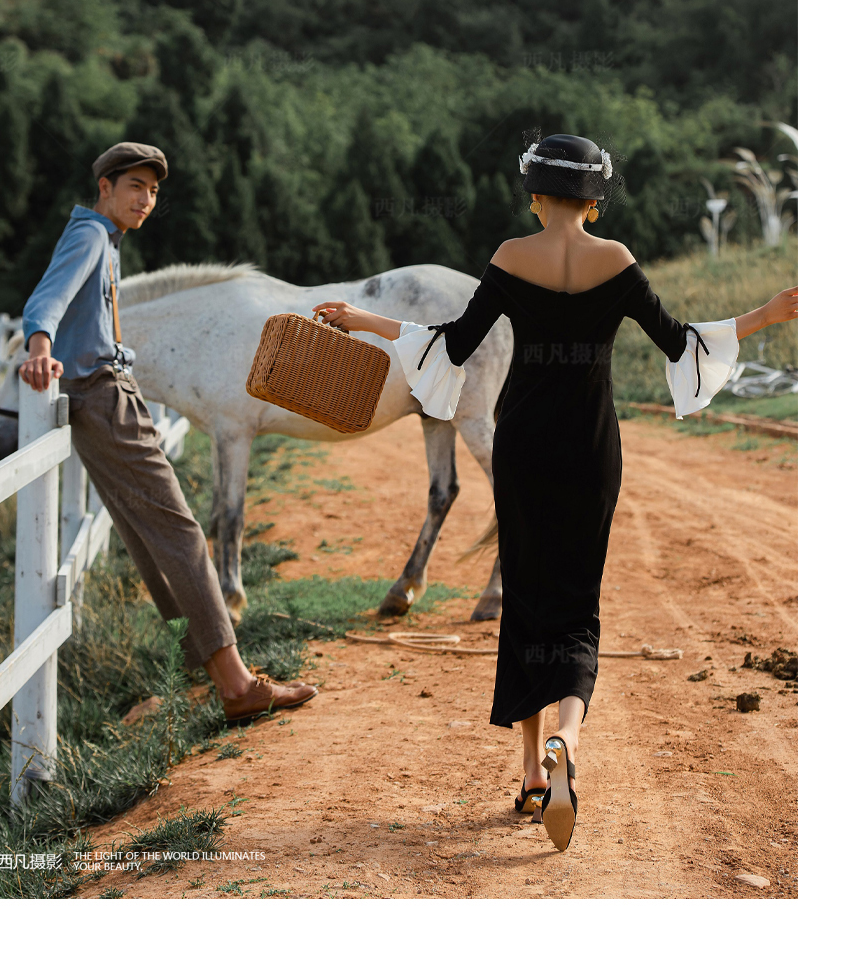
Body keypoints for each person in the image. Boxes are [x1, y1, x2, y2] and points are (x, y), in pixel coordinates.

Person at [312, 132, 797, 852]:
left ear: (536, 195)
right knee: (576, 605)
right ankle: (565, 739)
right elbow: (681, 343)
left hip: (525, 449)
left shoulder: (511, 257)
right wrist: (769, 313)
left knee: (526, 602)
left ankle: (532, 778)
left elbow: (451, 344)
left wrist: (363, 321)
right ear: (594, 203)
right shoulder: (618, 261)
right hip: (591, 452)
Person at [19, 141, 318, 727]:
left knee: (145, 538)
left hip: (96, 397)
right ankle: (237, 685)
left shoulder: (104, 239)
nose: (146, 200)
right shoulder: (90, 235)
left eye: (153, 191)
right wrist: (39, 347)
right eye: (135, 186)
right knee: (181, 533)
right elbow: (46, 298)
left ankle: (200, 663)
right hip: (104, 396)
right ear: (104, 187)